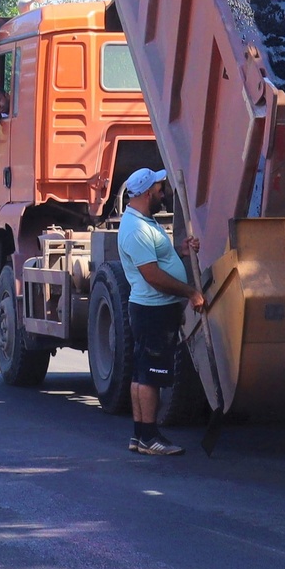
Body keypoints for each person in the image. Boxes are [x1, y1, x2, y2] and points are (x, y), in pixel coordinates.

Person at [117, 168, 201, 458]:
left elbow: (158, 260)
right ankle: (151, 437)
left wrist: (180, 251)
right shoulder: (137, 230)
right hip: (153, 310)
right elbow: (152, 275)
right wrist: (190, 292)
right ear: (145, 193)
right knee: (151, 374)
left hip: (150, 308)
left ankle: (140, 435)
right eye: (159, 189)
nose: (162, 193)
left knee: (142, 372)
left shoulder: (142, 222)